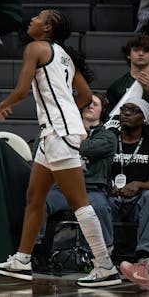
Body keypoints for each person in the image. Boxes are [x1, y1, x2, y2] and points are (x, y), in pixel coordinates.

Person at [0, 9, 121, 288]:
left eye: (39, 17)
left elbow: (22, 90)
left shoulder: (35, 48)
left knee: (78, 202)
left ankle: (105, 266)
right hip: (54, 132)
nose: (32, 19)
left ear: (47, 28)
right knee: (35, 197)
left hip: (59, 132)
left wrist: (5, 103)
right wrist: (65, 112)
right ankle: (22, 261)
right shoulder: (64, 56)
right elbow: (85, 95)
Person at [37, 89, 113, 261]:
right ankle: (35, 249)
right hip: (62, 189)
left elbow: (88, 148)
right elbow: (40, 147)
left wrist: (63, 141)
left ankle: (101, 256)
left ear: (103, 110)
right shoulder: (63, 130)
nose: (90, 106)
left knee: (99, 207)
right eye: (87, 103)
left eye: (95, 104)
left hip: (91, 189)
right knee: (39, 201)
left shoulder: (108, 136)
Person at [114, 99, 149, 285]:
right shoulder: (109, 139)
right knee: (94, 200)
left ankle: (145, 261)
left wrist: (139, 184)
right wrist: (108, 186)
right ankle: (101, 261)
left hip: (139, 200)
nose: (126, 113)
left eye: (133, 111)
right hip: (111, 197)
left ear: (144, 119)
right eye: (124, 109)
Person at [105, 34, 149, 108]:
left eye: (146, 50)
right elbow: (111, 116)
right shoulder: (117, 86)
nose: (141, 53)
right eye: (136, 50)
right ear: (128, 54)